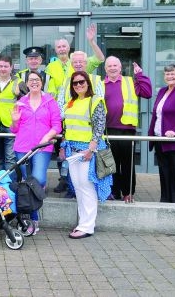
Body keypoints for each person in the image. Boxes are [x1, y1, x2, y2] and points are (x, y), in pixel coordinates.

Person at [59, 71, 112, 239]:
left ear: (88, 83)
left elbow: (99, 127)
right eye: (75, 83)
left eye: (82, 82)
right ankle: (83, 223)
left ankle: (87, 226)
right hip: (72, 150)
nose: (78, 85)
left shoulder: (96, 101)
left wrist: (91, 149)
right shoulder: (71, 102)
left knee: (87, 188)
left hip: (87, 151)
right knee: (78, 187)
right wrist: (62, 146)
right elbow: (66, 128)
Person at [10, 71, 62, 235]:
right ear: (26, 83)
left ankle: (40, 193)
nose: (34, 82)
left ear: (42, 82)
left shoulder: (50, 101)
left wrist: (45, 138)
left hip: (42, 147)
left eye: (37, 80)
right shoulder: (21, 102)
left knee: (38, 179)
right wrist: (14, 120)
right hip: (22, 147)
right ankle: (32, 218)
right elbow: (14, 130)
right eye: (30, 80)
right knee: (27, 182)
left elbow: (57, 126)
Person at [55, 50, 105, 197]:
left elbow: (98, 110)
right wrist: (69, 114)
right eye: (75, 62)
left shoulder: (95, 80)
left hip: (88, 141)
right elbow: (60, 104)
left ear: (86, 63)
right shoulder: (66, 81)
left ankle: (89, 216)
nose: (78, 64)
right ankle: (71, 191)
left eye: (80, 62)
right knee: (75, 178)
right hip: (70, 135)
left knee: (87, 182)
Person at [103, 57, 152, 202]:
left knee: (127, 164)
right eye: (109, 65)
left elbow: (147, 93)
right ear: (105, 69)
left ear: (120, 67)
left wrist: (140, 76)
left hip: (126, 129)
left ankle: (128, 192)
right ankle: (113, 192)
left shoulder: (130, 81)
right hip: (108, 130)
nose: (112, 68)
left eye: (115, 65)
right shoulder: (100, 84)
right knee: (111, 164)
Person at [148, 64, 175, 204]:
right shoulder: (162, 91)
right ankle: (165, 201)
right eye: (167, 74)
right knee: (164, 173)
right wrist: (151, 135)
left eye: (173, 74)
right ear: (164, 76)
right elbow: (156, 115)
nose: (170, 76)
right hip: (161, 140)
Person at [0, 55, 25, 181]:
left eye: (6, 66)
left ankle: (10, 184)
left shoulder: (18, 82)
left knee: (10, 157)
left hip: (10, 125)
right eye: (1, 66)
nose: (3, 69)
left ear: (11, 67)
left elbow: (27, 102)